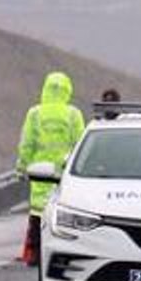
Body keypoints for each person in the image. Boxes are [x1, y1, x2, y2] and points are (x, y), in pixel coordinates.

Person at [16, 72, 86, 267]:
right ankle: (63, 253)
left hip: (40, 173)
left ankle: (35, 253)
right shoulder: (73, 114)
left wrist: (21, 167)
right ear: (68, 91)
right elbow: (80, 144)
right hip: (65, 174)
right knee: (65, 213)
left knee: (38, 214)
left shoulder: (35, 113)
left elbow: (27, 143)